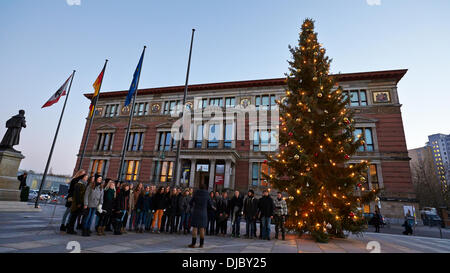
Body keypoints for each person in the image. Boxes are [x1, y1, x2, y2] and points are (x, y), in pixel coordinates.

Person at [188, 182, 211, 248]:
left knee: (195, 228)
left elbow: (190, 203)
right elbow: (209, 204)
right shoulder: (207, 194)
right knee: (202, 229)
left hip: (196, 212)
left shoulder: (196, 193)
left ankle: (193, 244)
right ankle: (201, 244)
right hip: (203, 213)